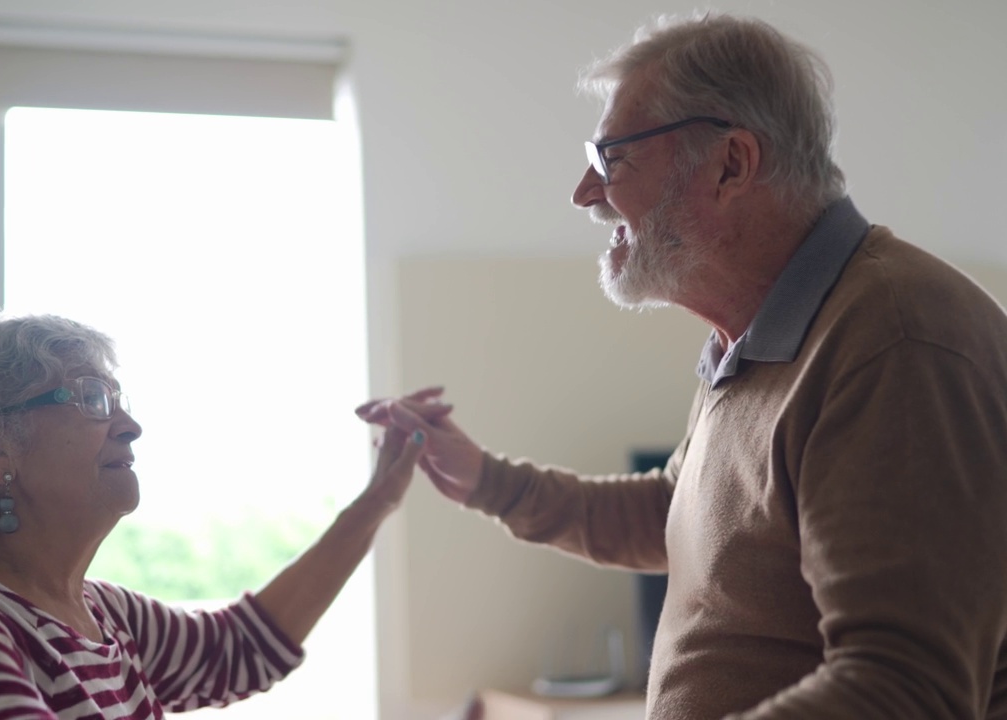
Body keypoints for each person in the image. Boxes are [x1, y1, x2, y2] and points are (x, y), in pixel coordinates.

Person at [359, 12, 1007, 720]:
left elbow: (903, 691)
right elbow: (680, 517)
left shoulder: (897, 343)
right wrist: (487, 480)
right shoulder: (748, 343)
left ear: (732, 163)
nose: (584, 191)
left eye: (614, 158)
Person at [0, 312, 425, 719]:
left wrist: (377, 503)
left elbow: (244, 646)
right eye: (91, 399)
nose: (131, 426)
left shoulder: (101, 614)